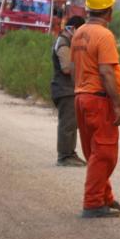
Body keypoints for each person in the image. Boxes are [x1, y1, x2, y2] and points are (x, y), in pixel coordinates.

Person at [71, 0, 120, 218]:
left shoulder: (79, 32)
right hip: (98, 100)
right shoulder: (104, 35)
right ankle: (93, 202)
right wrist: (117, 104)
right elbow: (106, 72)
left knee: (94, 151)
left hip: (82, 98)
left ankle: (105, 197)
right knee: (105, 153)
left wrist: (79, 91)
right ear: (109, 11)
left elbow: (74, 69)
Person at [52, 16, 87, 167]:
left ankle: (70, 153)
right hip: (64, 90)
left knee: (72, 124)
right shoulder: (63, 43)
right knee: (67, 124)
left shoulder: (67, 41)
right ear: (72, 29)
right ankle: (64, 156)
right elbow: (66, 67)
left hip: (69, 89)